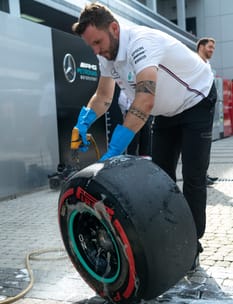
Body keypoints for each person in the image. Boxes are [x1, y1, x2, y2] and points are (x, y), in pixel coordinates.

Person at [71, 3, 217, 271]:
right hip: (166, 111)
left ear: (114, 28)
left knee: (194, 178)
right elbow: (104, 97)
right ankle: (169, 235)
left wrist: (115, 147)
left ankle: (192, 245)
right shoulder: (106, 56)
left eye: (97, 42)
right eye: (91, 45)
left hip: (197, 99)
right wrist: (83, 122)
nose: (95, 50)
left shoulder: (142, 43)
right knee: (161, 178)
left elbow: (144, 101)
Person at [197, 37, 218, 186]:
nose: (211, 50)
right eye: (209, 47)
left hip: (206, 114)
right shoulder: (195, 62)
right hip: (197, 114)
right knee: (198, 149)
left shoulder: (207, 64)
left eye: (213, 48)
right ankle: (199, 177)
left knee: (204, 148)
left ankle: (204, 174)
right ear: (201, 46)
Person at [118, 89, 153, 156]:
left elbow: (122, 99)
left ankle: (135, 158)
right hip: (139, 111)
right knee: (138, 140)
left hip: (137, 110)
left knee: (142, 139)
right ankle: (138, 159)